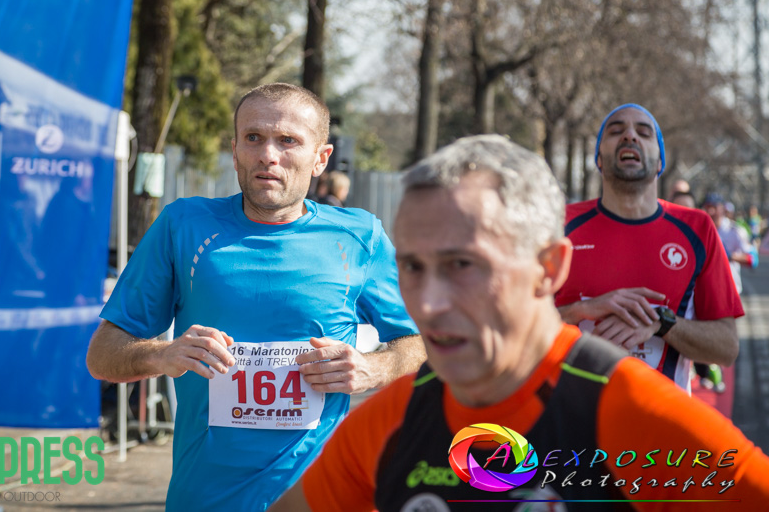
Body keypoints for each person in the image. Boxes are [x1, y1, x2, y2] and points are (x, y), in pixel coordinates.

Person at [269, 135, 769, 511]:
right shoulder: (396, 417)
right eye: (413, 267)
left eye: (463, 264)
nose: (430, 302)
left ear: (549, 268)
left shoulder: (626, 411)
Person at [86, 83, 424, 511]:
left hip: (322, 496)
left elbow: (422, 343)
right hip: (206, 499)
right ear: (235, 152)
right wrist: (163, 354)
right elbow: (102, 355)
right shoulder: (183, 226)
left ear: (320, 158)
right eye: (253, 137)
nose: (268, 154)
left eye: (288, 141)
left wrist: (374, 367)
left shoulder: (360, 236)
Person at [554, 104, 742, 392]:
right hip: (573, 415)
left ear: (659, 162)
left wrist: (661, 323)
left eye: (643, 132)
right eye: (615, 131)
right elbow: (515, 327)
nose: (629, 136)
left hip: (663, 417)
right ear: (599, 159)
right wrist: (581, 311)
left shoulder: (697, 229)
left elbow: (726, 348)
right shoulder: (559, 224)